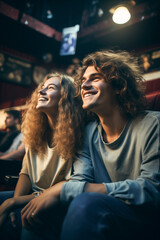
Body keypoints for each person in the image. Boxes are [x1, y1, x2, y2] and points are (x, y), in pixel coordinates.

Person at [60, 50, 160, 240]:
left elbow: (151, 190)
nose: (85, 85)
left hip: (147, 219)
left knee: (86, 203)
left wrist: (64, 189)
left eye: (95, 78)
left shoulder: (154, 124)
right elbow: (79, 181)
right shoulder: (87, 132)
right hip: (106, 212)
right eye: (83, 81)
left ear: (118, 86)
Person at [0, 72, 84, 240]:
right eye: (41, 88)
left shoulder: (79, 132)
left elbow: (74, 182)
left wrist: (14, 203)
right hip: (32, 193)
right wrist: (16, 201)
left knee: (33, 215)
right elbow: (26, 173)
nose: (41, 92)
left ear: (65, 97)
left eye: (50, 88)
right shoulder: (35, 132)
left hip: (59, 199)